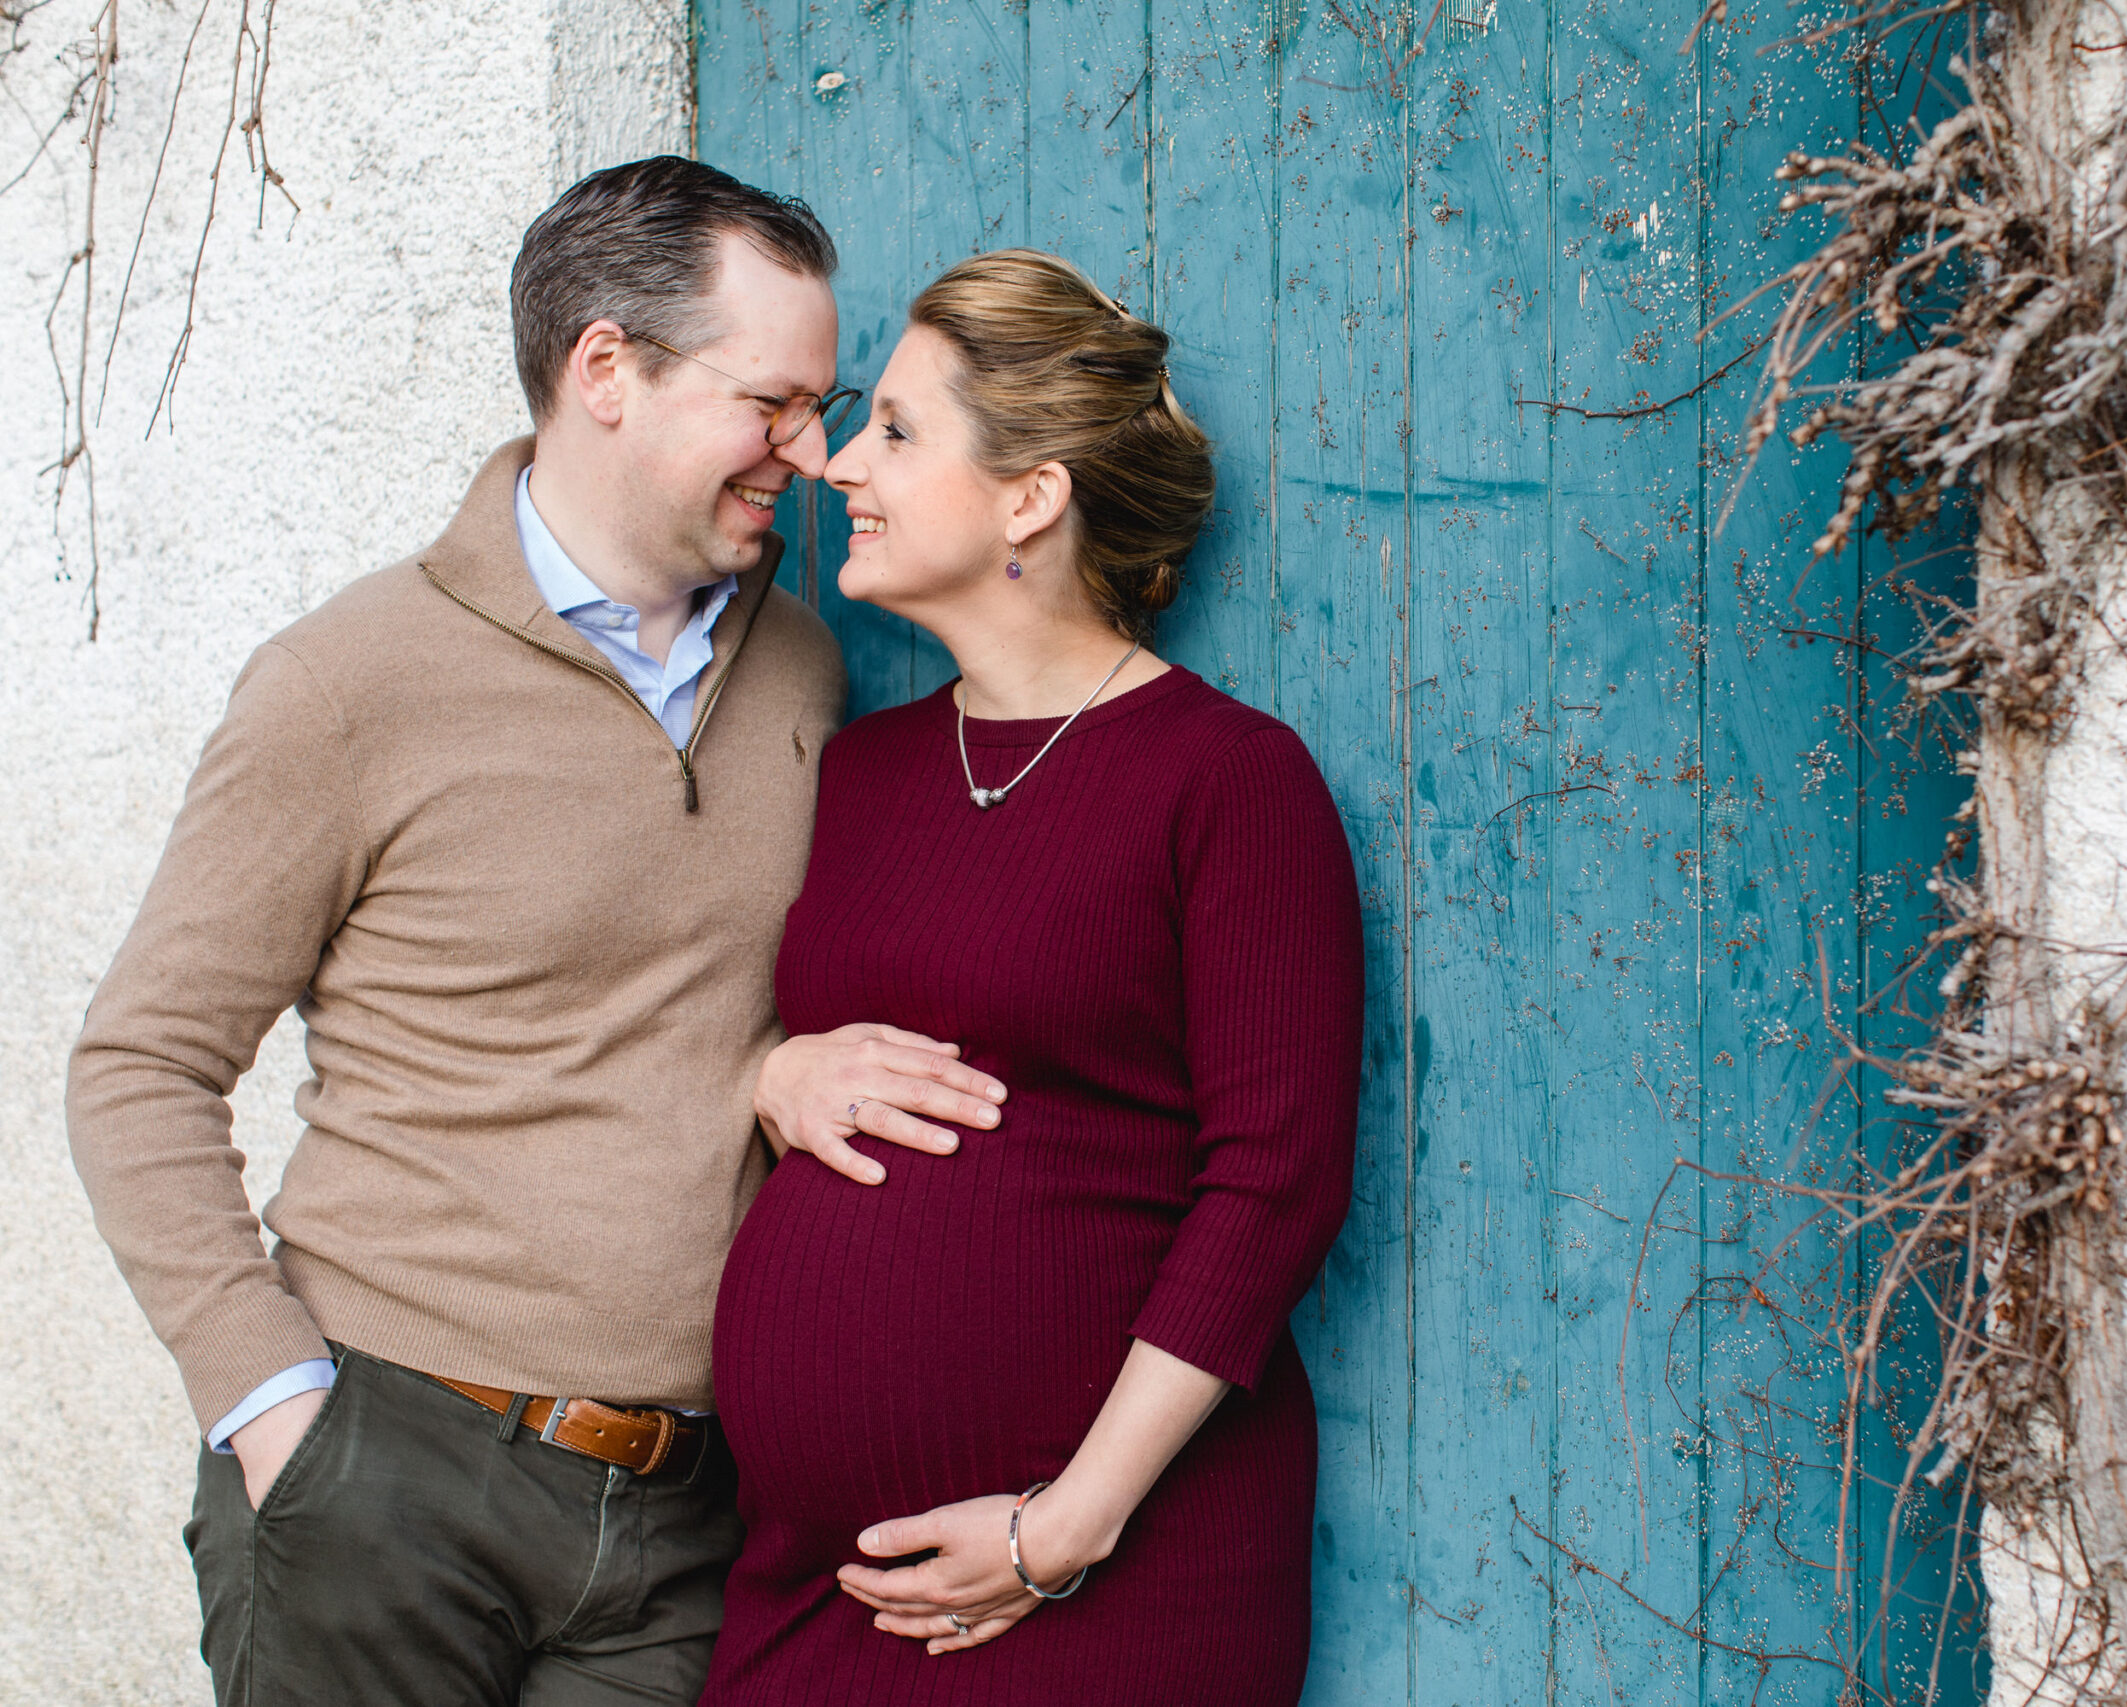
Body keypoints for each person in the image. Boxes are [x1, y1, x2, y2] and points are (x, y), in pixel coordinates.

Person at [64, 156, 1006, 1707]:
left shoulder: (799, 665)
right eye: (771, 404)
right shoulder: (350, 683)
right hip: (387, 1475)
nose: (810, 454)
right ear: (606, 371)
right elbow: (138, 1066)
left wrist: (773, 1070)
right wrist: (276, 1409)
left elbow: (688, 1005)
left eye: (823, 407)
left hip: (689, 1513)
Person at [702, 250, 1365, 1707]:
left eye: (894, 431)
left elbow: (1278, 1182)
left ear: (1030, 499)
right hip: (815, 1585)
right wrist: (771, 1073)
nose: (837, 467)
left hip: (1102, 1580)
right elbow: (734, 1025)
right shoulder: (866, 770)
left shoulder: (1226, 780)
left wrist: (1065, 1525)